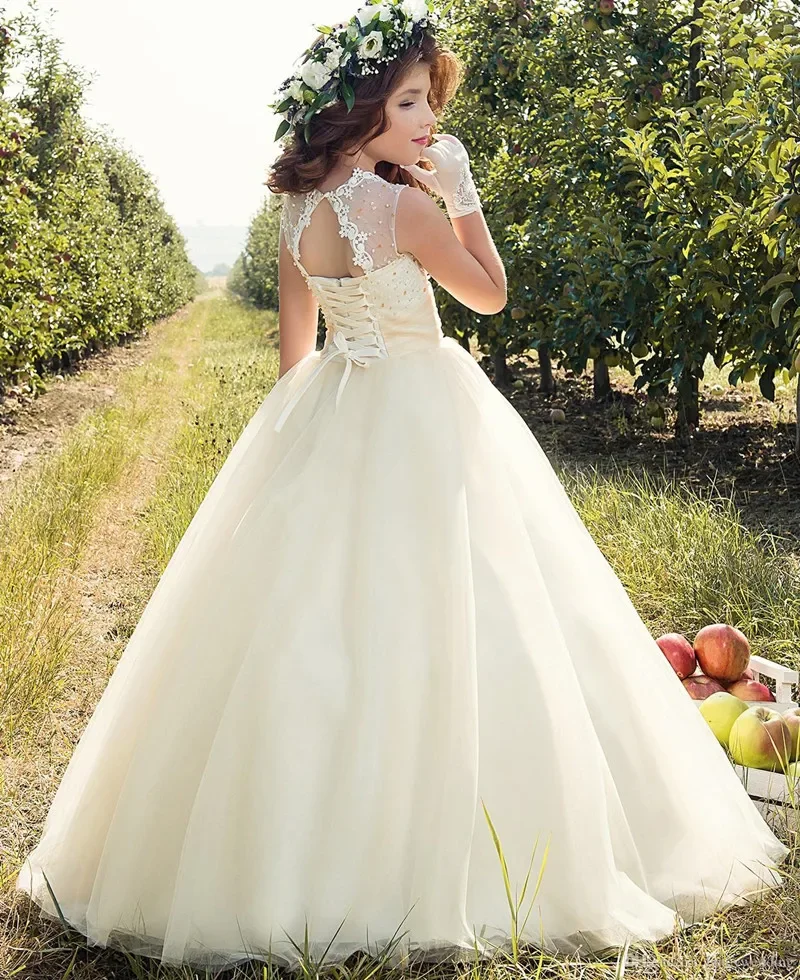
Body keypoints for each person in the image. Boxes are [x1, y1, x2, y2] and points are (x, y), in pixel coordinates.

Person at [15, 0, 790, 972]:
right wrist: (462, 195)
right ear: (362, 106)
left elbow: (295, 354)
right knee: (471, 608)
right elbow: (489, 294)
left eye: (431, 104)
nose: (429, 123)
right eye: (412, 102)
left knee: (313, 635)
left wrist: (302, 451)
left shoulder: (297, 212)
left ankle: (289, 859)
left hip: (334, 404)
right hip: (428, 406)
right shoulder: (406, 204)